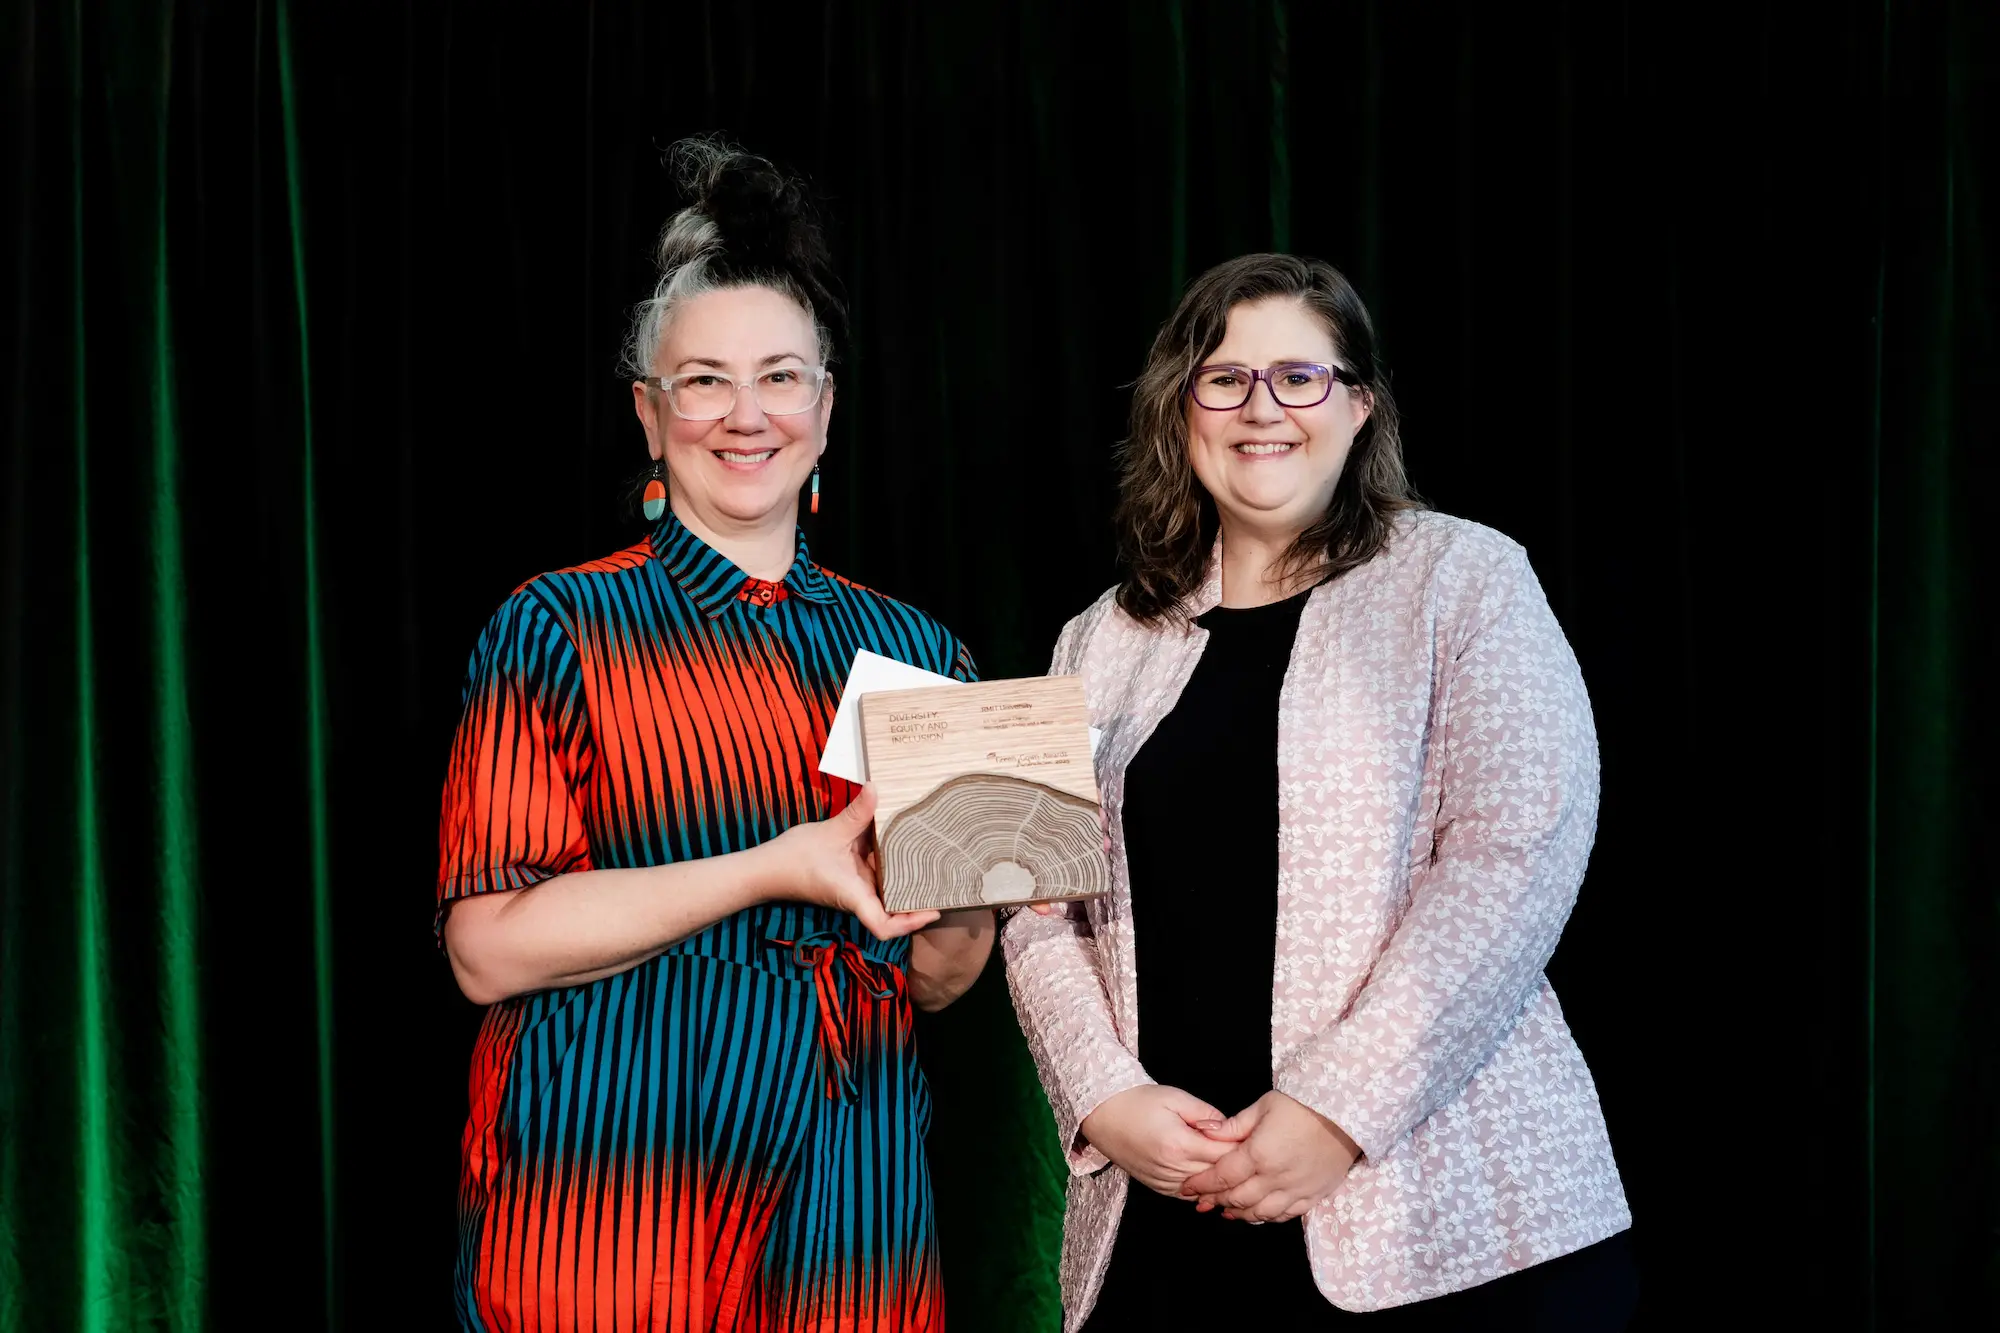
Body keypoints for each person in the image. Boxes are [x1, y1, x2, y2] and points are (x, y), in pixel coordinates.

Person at [1004, 254, 1635, 1329]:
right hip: (1166, 1221)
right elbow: (1037, 904)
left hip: (1449, 1228)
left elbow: (1515, 852)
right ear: (1181, 410)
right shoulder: (1096, 639)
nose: (1262, 409)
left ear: (1358, 406)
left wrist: (1335, 1111)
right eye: (1224, 379)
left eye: (1299, 377)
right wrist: (1105, 1098)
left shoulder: (1465, 578)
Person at [435, 140, 992, 1332]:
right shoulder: (555, 627)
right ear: (649, 414)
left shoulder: (921, 654)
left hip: (850, 1211)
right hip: (607, 1203)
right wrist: (778, 866)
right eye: (702, 382)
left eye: (781, 378)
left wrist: (979, 885)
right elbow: (485, 949)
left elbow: (939, 977)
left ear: (825, 409)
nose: (746, 416)